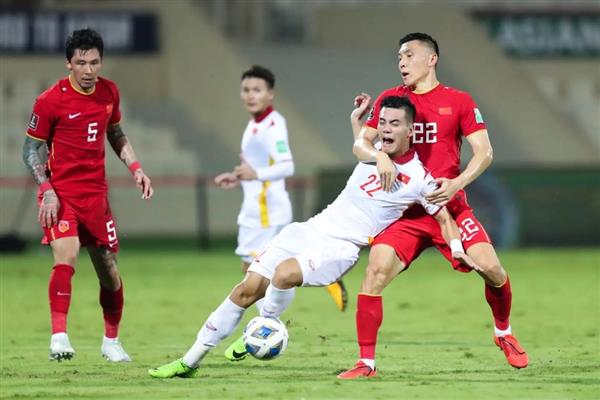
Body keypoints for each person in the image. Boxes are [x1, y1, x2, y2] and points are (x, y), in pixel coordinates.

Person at [148, 95, 479, 379]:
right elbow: (360, 146)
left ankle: (266, 325)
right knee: (247, 288)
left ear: (411, 130)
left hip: (341, 247)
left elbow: (444, 217)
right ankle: (189, 361)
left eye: (395, 124)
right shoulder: (374, 150)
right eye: (383, 123)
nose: (387, 129)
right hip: (309, 230)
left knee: (283, 275)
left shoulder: (419, 178)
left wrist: (455, 248)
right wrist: (360, 126)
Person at [338, 32, 528, 379]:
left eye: (409, 55)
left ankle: (504, 332)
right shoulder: (391, 99)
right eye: (399, 57)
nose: (402, 62)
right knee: (375, 271)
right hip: (404, 214)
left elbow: (484, 152)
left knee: (493, 270)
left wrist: (457, 183)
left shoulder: (458, 101)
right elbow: (360, 144)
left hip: (449, 208)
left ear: (432, 59)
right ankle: (366, 363)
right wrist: (380, 155)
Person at [22, 28, 153, 362]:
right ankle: (59, 337)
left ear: (101, 62)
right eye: (81, 63)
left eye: (94, 62)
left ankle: (111, 341)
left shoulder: (109, 92)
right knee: (66, 256)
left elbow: (116, 132)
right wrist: (46, 190)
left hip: (96, 197)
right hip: (61, 195)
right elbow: (30, 150)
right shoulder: (50, 100)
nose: (88, 70)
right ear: (69, 63)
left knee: (109, 271)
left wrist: (136, 168)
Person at [214, 66, 348, 361]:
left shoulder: (273, 125)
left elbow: (287, 165)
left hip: (266, 211)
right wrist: (239, 177)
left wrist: (255, 174)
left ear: (270, 94)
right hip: (259, 207)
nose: (250, 95)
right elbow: (259, 167)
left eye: (257, 90)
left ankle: (265, 328)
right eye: (246, 90)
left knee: (257, 275)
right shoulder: (256, 124)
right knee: (254, 273)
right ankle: (314, 275)